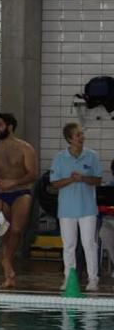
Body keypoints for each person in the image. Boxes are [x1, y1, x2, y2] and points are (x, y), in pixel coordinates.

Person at [0, 113, 38, 288]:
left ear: (10, 127)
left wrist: (13, 182)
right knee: (4, 233)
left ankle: (6, 260)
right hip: (2, 195)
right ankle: (8, 273)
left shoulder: (25, 148)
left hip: (21, 192)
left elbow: (33, 174)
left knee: (16, 230)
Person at [50, 122, 102, 291]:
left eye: (82, 134)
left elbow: (98, 180)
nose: (82, 137)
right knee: (69, 246)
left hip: (87, 209)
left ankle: (93, 279)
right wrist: (71, 179)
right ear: (69, 139)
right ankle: (69, 278)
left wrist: (83, 179)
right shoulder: (59, 158)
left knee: (89, 244)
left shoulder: (92, 156)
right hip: (66, 210)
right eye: (78, 135)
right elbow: (54, 183)